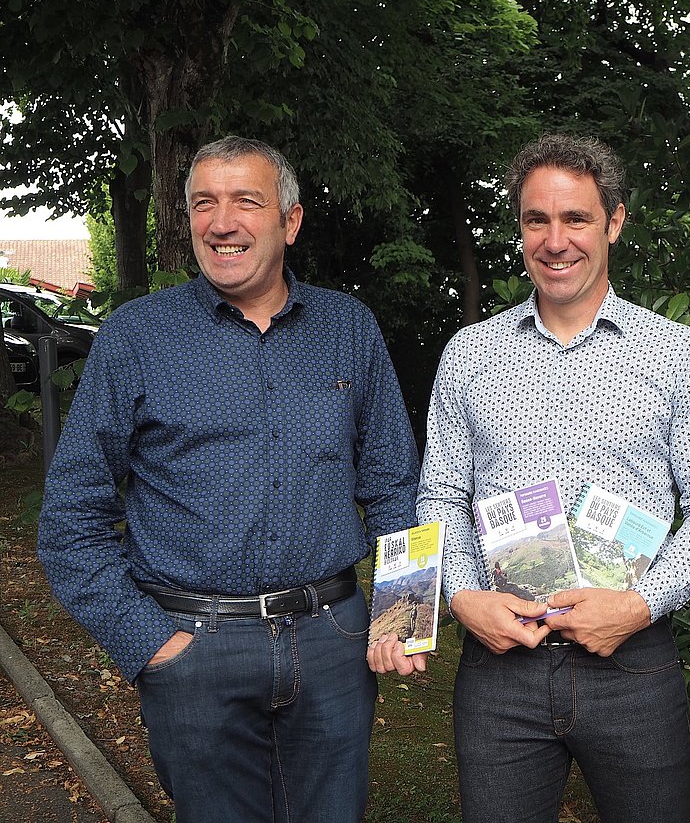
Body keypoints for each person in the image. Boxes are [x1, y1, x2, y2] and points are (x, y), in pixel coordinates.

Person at [38, 136, 420, 823]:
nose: (222, 222)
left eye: (246, 201)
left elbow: (395, 481)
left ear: (290, 221)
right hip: (193, 650)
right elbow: (70, 518)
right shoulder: (136, 338)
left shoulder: (348, 329)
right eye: (203, 204)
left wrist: (404, 615)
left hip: (333, 645)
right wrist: (149, 642)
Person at [378, 134, 690, 823]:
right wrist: (462, 596)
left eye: (575, 218)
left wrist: (640, 605)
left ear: (614, 221)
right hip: (501, 665)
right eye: (535, 220)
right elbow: (441, 493)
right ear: (519, 228)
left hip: (631, 661)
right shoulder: (470, 353)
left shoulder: (676, 354)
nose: (555, 240)